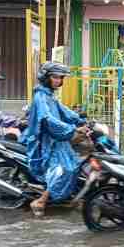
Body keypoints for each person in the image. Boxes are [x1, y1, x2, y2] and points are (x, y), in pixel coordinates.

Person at [23, 62, 88, 217]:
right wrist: (73, 129)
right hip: (46, 141)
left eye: (60, 77)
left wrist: (80, 119)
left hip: (57, 138)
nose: (58, 81)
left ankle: (68, 196)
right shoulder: (41, 96)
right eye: (55, 77)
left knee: (74, 163)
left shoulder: (49, 95)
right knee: (64, 170)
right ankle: (41, 201)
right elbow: (47, 119)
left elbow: (63, 111)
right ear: (46, 78)